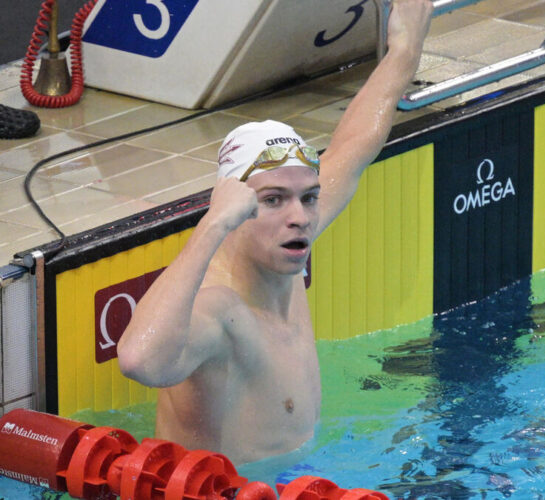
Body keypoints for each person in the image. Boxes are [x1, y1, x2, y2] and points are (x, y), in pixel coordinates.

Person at [117, 0, 433, 465]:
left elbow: (354, 146)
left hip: (301, 481)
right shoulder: (220, 310)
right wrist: (211, 226)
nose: (300, 216)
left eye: (307, 197)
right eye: (271, 200)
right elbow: (140, 361)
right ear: (235, 206)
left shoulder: (284, 243)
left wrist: (404, 52)